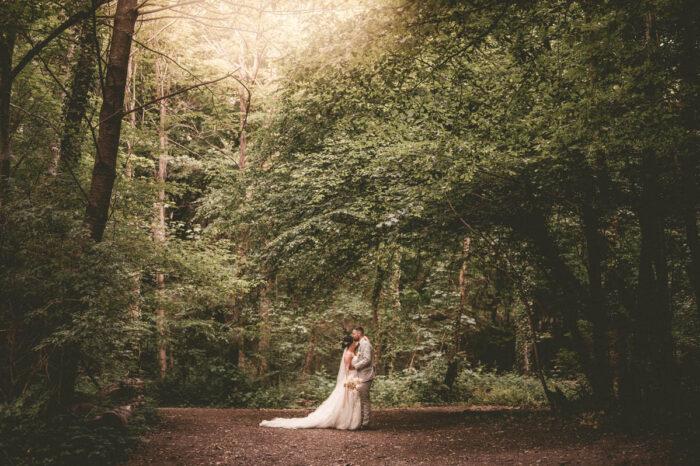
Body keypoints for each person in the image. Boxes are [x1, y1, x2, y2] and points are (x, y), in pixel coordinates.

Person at [259, 335, 362, 429]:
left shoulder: (352, 351)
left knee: (352, 400)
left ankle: (351, 421)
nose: (355, 342)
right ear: (351, 343)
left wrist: (364, 339)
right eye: (354, 341)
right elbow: (347, 368)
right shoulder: (348, 354)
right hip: (350, 378)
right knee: (346, 400)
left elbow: (359, 343)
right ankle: (344, 421)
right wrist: (349, 381)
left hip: (354, 377)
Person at [349, 326, 376, 429]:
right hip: (361, 375)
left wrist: (355, 366)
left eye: (354, 334)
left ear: (359, 333)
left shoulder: (365, 344)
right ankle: (362, 422)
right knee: (361, 399)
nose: (353, 336)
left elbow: (367, 359)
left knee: (365, 399)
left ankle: (365, 423)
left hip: (366, 375)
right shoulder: (362, 343)